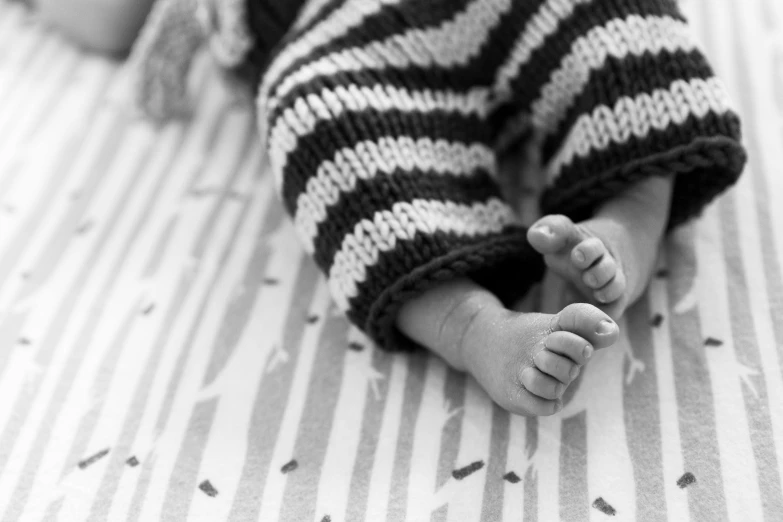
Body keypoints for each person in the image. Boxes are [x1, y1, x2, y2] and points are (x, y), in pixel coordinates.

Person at [37, 0, 747, 416]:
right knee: (315, 107)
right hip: (347, 30)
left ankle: (629, 211)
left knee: (608, 17)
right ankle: (475, 326)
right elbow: (101, 22)